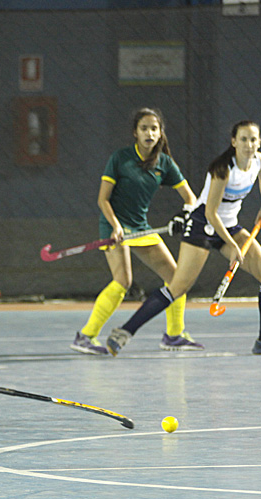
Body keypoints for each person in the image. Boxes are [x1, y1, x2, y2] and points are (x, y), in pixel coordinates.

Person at [105, 120, 261, 356]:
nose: (249, 145)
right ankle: (124, 332)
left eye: (253, 139)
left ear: (259, 142)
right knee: (178, 287)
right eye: (243, 139)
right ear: (234, 142)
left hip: (230, 226)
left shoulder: (259, 161)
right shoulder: (223, 169)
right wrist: (234, 246)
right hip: (203, 225)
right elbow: (210, 213)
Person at [70, 107, 203, 355]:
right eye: (144, 128)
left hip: (141, 228)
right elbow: (103, 200)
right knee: (123, 281)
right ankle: (85, 336)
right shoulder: (120, 158)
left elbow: (190, 199)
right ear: (135, 133)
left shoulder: (164, 163)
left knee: (177, 278)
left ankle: (174, 336)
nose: (149, 133)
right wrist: (116, 226)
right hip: (114, 226)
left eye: (154, 128)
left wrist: (183, 216)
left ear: (160, 132)